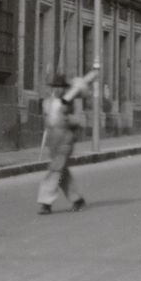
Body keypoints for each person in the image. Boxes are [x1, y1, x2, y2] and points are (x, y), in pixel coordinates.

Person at [36, 67, 96, 213]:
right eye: (55, 87)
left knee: (55, 170)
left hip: (65, 141)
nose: (57, 90)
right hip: (53, 142)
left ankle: (46, 202)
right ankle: (77, 200)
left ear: (64, 88)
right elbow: (47, 120)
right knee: (61, 172)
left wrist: (69, 119)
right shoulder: (48, 103)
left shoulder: (68, 102)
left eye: (60, 87)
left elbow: (77, 120)